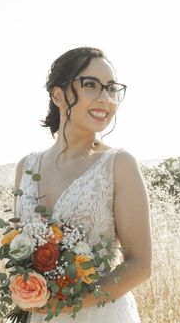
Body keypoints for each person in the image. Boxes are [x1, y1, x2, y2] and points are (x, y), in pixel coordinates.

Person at [12, 47, 152, 322]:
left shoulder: (119, 165)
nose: (106, 99)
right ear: (58, 95)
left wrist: (66, 305)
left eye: (111, 89)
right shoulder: (25, 168)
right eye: (91, 85)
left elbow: (139, 265)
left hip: (100, 315)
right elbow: (18, 252)